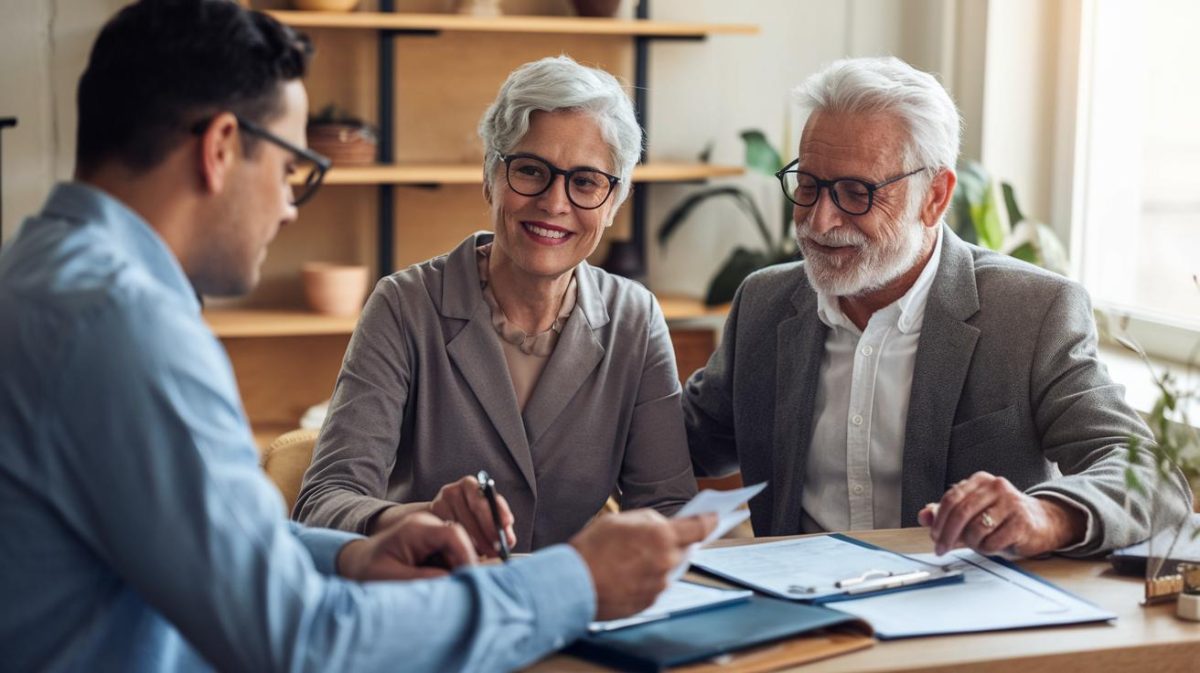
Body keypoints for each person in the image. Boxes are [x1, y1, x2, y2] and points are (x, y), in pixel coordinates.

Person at [0, 2, 715, 671]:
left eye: (587, 182)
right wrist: (575, 581)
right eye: (290, 168)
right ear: (220, 148)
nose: (287, 208)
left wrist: (348, 558)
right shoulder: (126, 328)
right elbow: (304, 638)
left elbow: (215, 543)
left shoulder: (48, 281)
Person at [682, 56, 1191, 559]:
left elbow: (1150, 475)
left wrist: (1047, 515)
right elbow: (682, 443)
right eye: (810, 185)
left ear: (936, 196)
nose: (820, 219)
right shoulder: (764, 303)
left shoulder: (1031, 313)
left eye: (857, 193)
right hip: (798, 620)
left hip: (959, 617)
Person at [293, 55, 697, 555]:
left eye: (586, 181)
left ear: (614, 203)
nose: (554, 203)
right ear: (490, 176)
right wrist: (418, 519)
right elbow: (323, 503)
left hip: (574, 607)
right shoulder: (404, 306)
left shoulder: (635, 319)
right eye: (530, 170)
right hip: (432, 598)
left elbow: (668, 508)